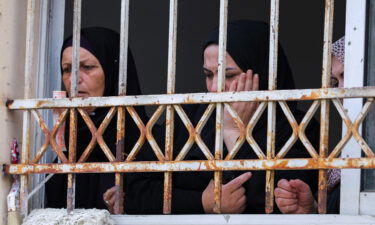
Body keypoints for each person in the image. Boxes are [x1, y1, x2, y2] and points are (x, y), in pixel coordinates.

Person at [122, 20, 319, 214]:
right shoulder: (186, 118)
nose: (215, 87)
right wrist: (201, 202)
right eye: (209, 74)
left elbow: (280, 203)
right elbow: (129, 191)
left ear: (263, 73)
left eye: (229, 75)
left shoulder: (298, 128)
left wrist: (232, 134)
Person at [45, 27, 148, 212]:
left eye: (87, 67)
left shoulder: (145, 143)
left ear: (113, 70)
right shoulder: (64, 142)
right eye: (67, 69)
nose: (74, 79)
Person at [274, 37, 345, 214]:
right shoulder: (351, 152)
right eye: (335, 83)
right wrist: (312, 210)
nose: (341, 91)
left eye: (347, 75)